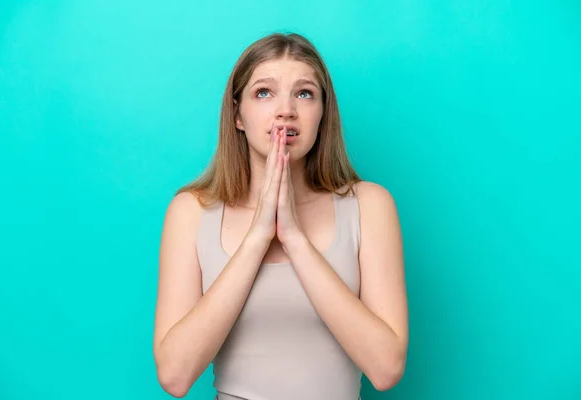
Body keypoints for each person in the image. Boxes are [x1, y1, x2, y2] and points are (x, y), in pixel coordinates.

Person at [152, 32, 409, 400]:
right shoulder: (191, 211)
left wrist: (294, 239)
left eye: (304, 93)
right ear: (237, 115)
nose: (285, 109)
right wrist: (258, 235)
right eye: (264, 92)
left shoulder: (369, 205)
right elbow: (175, 376)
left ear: (323, 115)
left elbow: (386, 368)